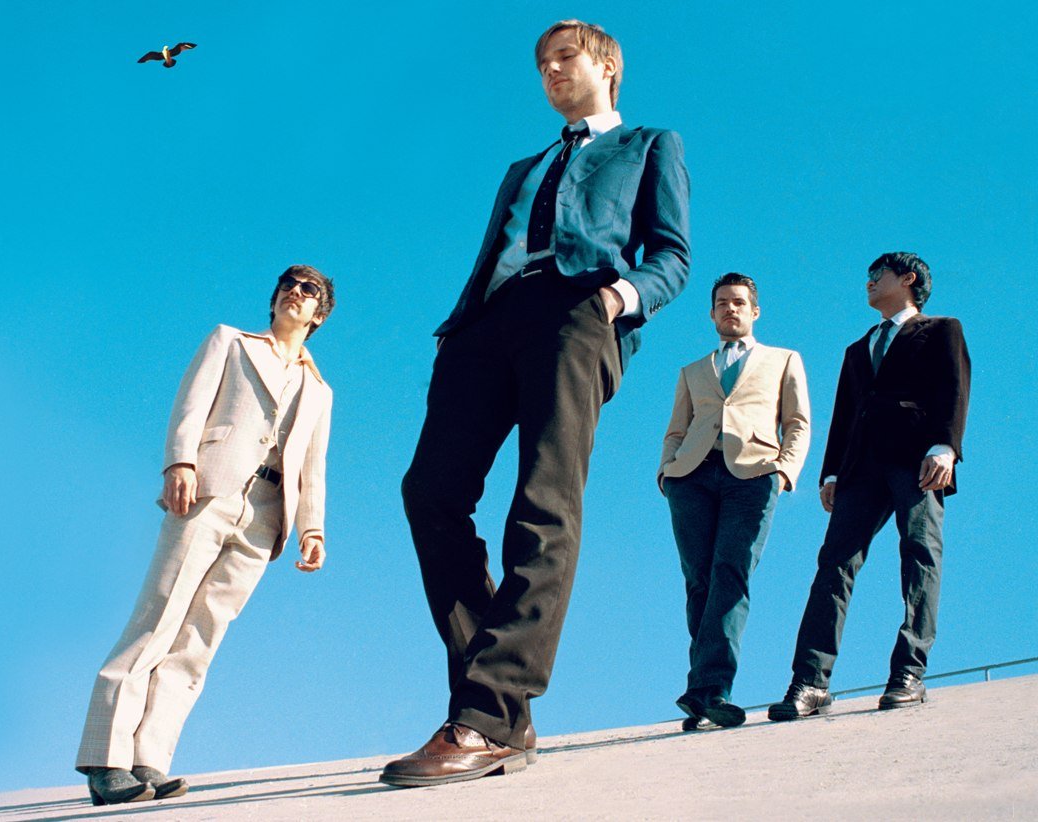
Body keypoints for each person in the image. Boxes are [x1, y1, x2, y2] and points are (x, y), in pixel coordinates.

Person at [381, 19, 690, 787]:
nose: (550, 70)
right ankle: (497, 708)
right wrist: (459, 331)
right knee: (429, 493)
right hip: (486, 324)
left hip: (578, 312)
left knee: (543, 501)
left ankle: (484, 716)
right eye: (541, 62)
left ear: (607, 66)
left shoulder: (649, 144)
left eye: (564, 56)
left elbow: (672, 255)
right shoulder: (523, 167)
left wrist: (617, 300)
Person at [74, 265, 335, 804]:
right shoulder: (230, 341)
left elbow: (314, 466)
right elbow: (191, 402)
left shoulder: (320, 390)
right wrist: (180, 462)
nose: (295, 292)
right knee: (158, 618)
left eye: (308, 290)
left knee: (199, 641)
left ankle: (148, 759)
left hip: (265, 517)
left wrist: (312, 528)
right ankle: (106, 759)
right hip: (208, 492)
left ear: (319, 315)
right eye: (288, 285)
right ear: (275, 300)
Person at [768, 252, 970, 721]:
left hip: (917, 459)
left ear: (908, 279)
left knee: (920, 556)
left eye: (877, 274)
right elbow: (844, 414)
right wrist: (831, 472)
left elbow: (954, 388)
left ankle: (909, 673)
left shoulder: (942, 329)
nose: (869, 282)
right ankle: (810, 682)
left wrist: (946, 447)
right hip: (860, 469)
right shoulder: (858, 349)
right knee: (833, 566)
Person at [659, 273, 810, 729]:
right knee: (698, 580)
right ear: (712, 313)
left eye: (740, 302)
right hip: (691, 476)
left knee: (732, 572)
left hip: (753, 474)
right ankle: (705, 694)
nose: (731, 308)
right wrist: (667, 471)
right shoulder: (692, 371)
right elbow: (676, 428)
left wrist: (784, 471)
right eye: (723, 302)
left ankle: (709, 689)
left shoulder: (783, 359)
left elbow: (797, 421)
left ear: (754, 311)